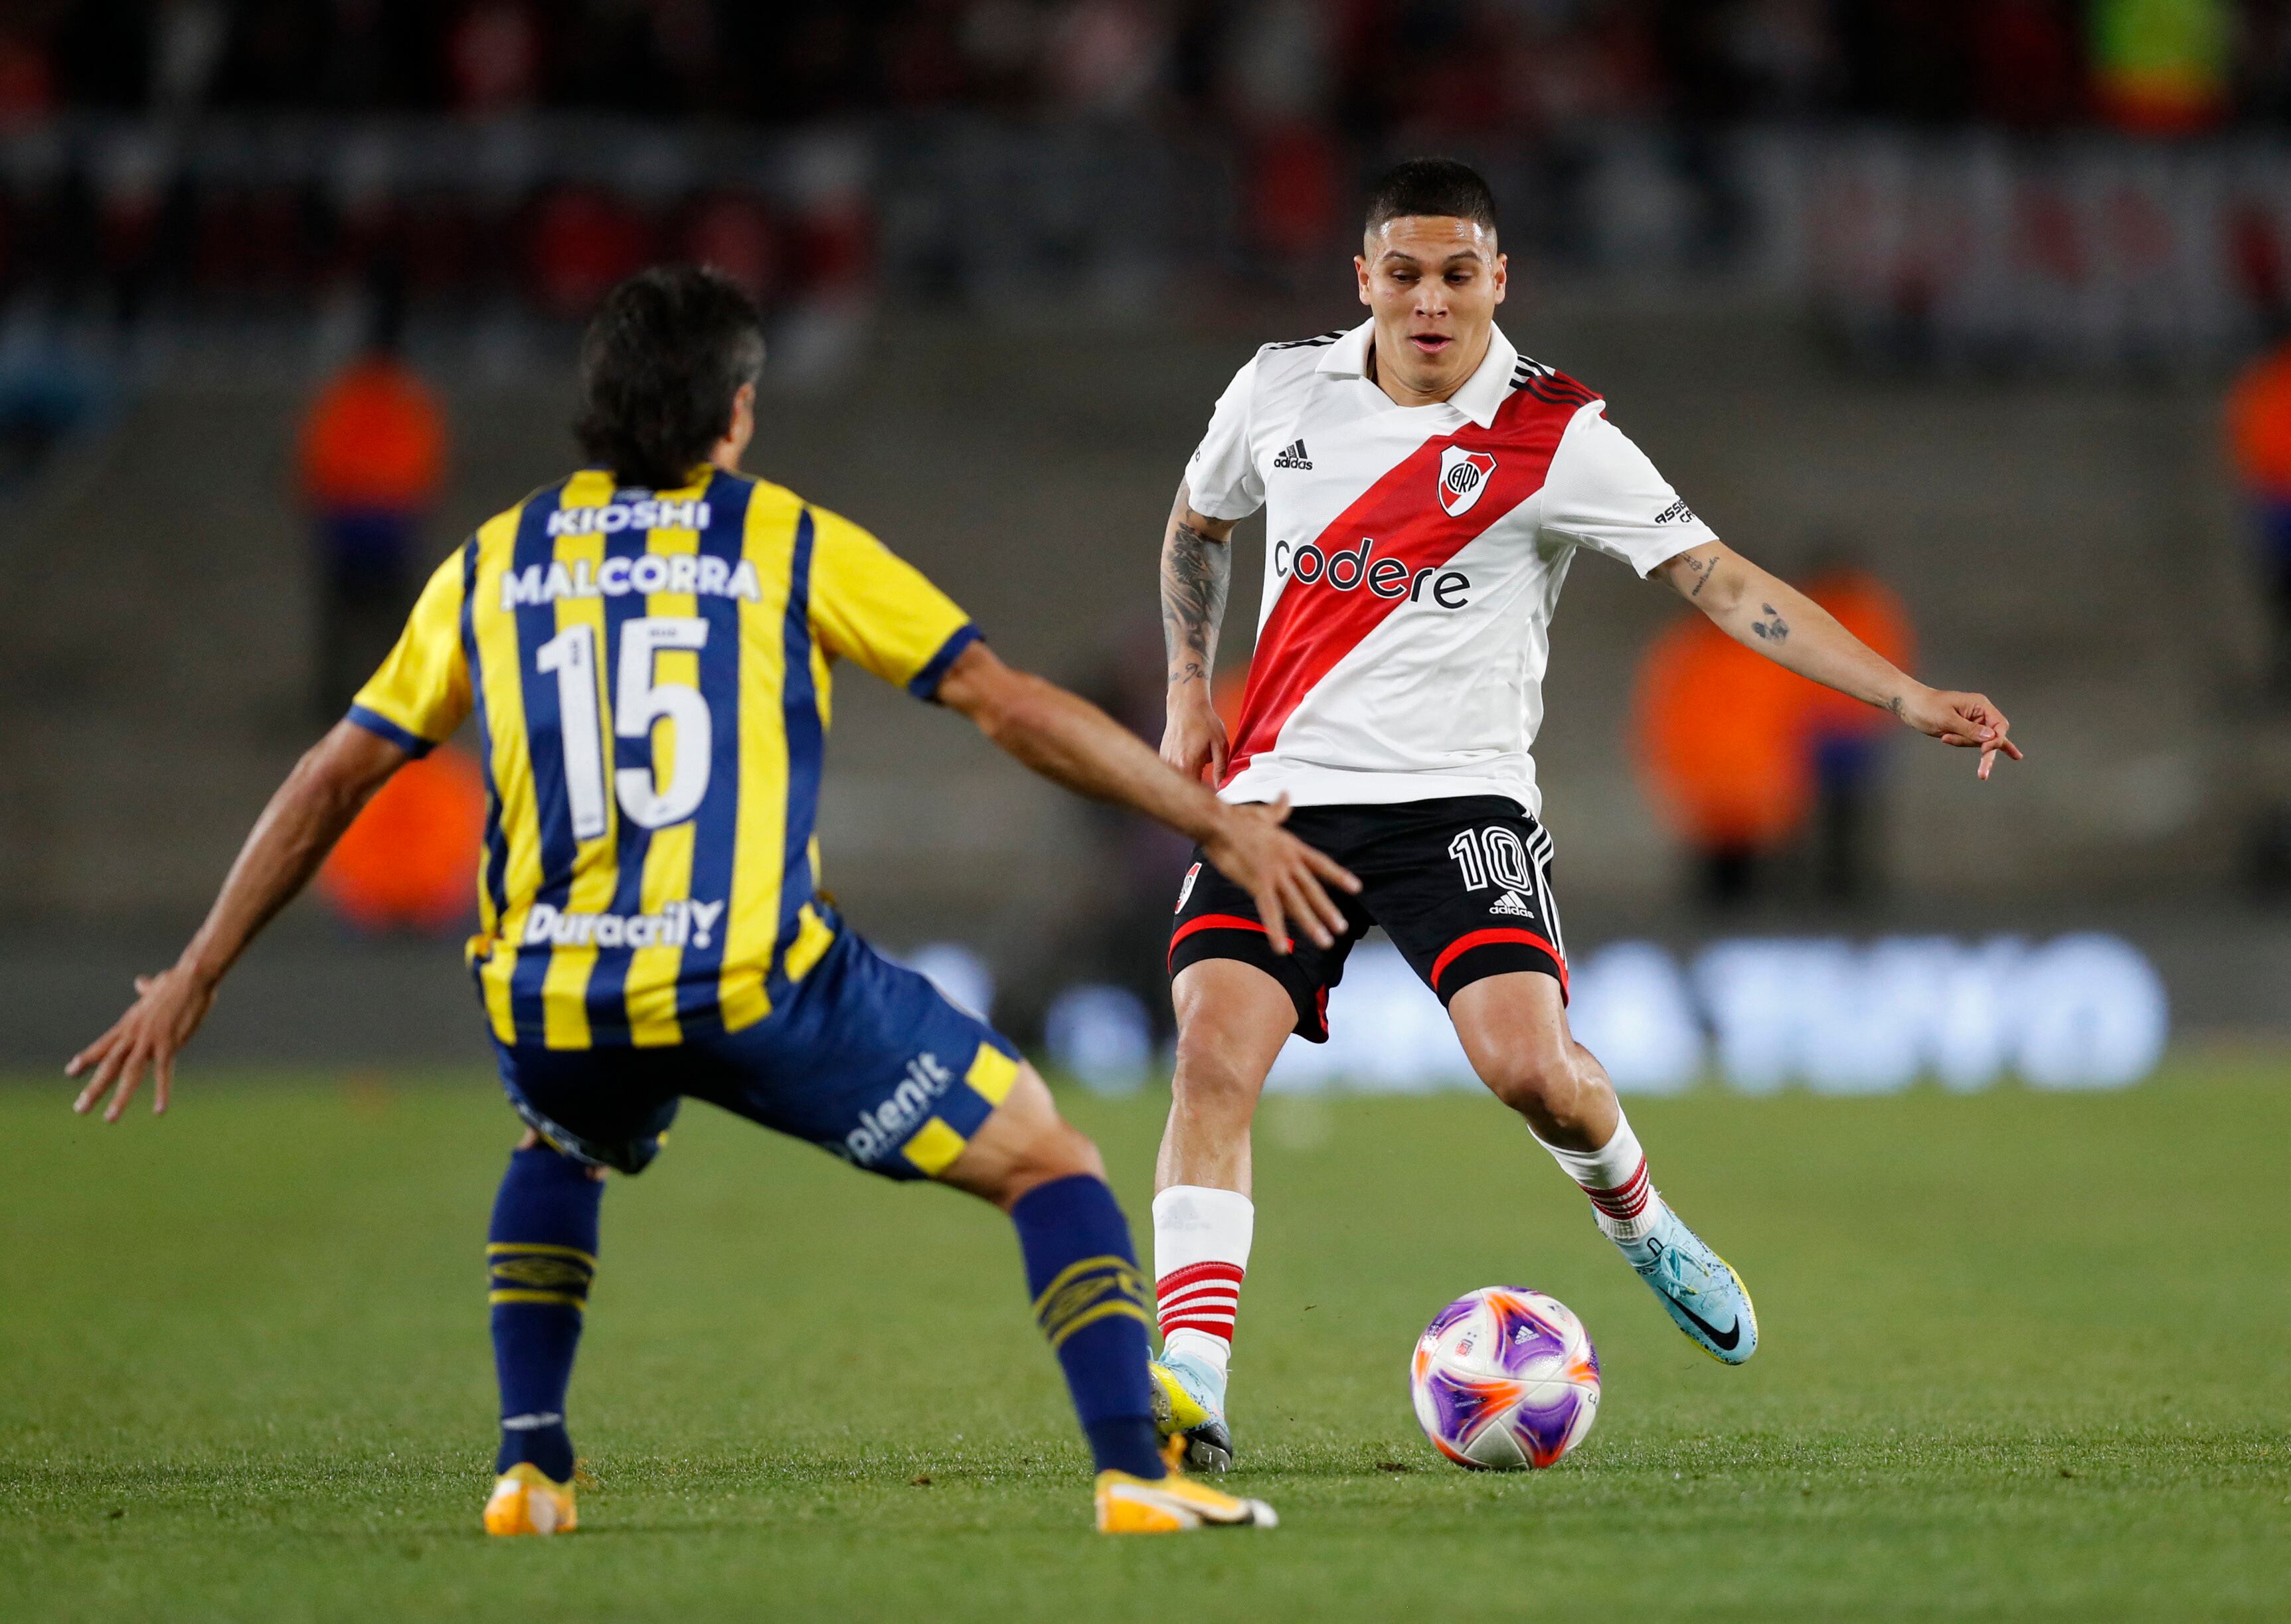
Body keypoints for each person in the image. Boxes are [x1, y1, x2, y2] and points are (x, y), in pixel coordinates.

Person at [66, 266, 1361, 1536]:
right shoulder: (782, 540)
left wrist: (198, 969)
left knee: (559, 1139)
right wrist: (1210, 819)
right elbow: (1006, 703)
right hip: (754, 977)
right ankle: (1135, 1474)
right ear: (735, 410)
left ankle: (531, 1466)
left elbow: (334, 772)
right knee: (1051, 1162)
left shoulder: (498, 560)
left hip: (557, 987)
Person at [1146, 159, 2022, 1471]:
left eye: (1457, 274)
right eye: (1404, 274)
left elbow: (1720, 582)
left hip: (1457, 803)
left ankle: (1642, 1221)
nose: (1430, 301)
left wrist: (1904, 694)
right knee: (1213, 1056)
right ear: (1363, 277)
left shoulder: (1556, 434)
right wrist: (1186, 692)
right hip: (1280, 797)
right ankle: (1192, 1383)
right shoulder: (1281, 387)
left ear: (1499, 278)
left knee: (1533, 1072)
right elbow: (1198, 523)